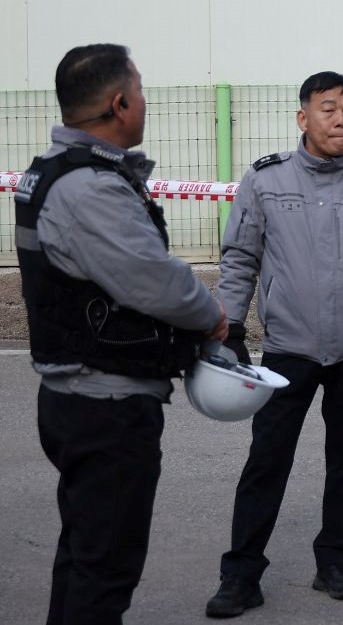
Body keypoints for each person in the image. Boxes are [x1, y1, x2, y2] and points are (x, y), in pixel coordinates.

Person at [17, 44, 228, 624]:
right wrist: (210, 313)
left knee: (84, 556)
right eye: (140, 94)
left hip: (77, 396)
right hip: (104, 405)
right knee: (104, 571)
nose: (144, 105)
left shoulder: (57, 173)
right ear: (118, 103)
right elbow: (154, 281)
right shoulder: (91, 188)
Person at [204, 72, 343, 618]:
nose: (342, 118)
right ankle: (241, 574)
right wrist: (228, 331)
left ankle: (335, 563)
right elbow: (240, 259)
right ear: (303, 118)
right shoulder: (266, 181)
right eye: (328, 108)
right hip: (288, 351)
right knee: (266, 461)